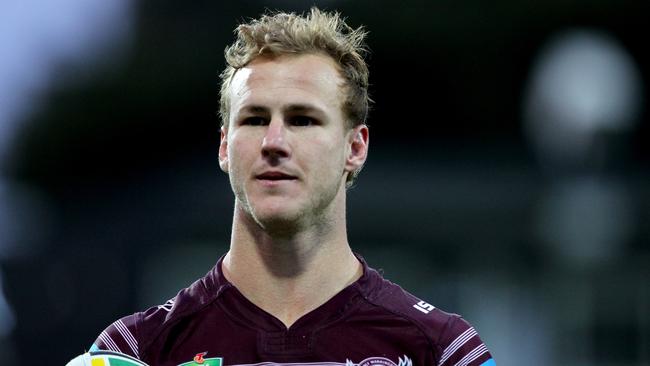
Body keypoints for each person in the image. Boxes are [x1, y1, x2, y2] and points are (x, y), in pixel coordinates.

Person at [83, 7, 495, 366]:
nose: (274, 143)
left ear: (355, 147)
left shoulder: (443, 352)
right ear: (225, 146)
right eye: (255, 119)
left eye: (302, 120)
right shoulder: (136, 352)